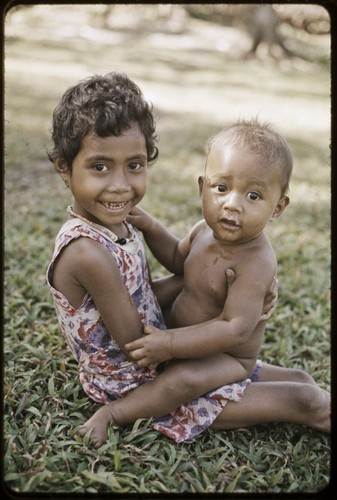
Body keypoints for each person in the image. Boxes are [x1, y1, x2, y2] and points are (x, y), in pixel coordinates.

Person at [46, 72, 330, 448]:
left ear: (278, 207)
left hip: (188, 354)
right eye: (100, 167)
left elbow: (170, 283)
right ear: (64, 166)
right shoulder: (87, 251)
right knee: (305, 399)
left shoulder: (116, 226)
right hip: (145, 378)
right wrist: (211, 288)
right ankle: (114, 415)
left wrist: (228, 288)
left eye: (134, 165)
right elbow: (140, 336)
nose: (120, 184)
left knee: (301, 377)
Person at [125, 120, 289, 383]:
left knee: (180, 380)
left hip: (224, 357)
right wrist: (151, 228)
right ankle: (295, 379)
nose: (233, 204)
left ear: (278, 208)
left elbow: (233, 329)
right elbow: (178, 261)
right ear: (202, 188)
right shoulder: (203, 230)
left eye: (254, 196)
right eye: (221, 188)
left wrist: (169, 344)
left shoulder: (257, 261)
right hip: (183, 341)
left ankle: (115, 414)